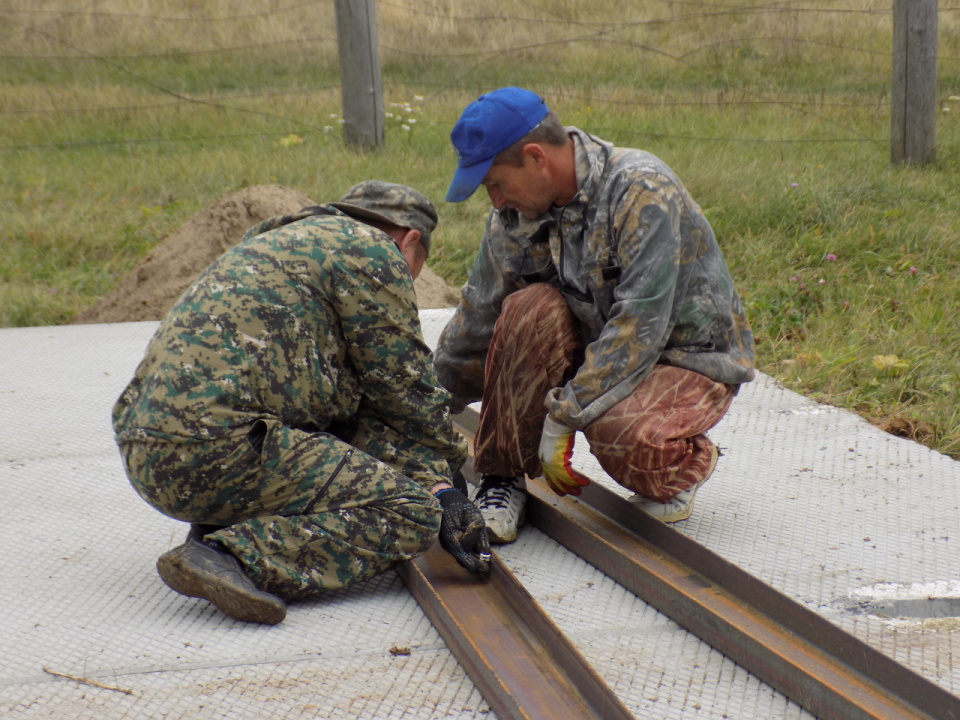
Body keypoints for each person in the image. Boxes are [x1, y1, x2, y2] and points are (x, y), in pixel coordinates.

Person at [113, 180, 490, 625]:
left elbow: (361, 417)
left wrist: (431, 476)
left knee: (335, 435)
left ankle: (227, 521)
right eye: (414, 271)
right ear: (409, 241)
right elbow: (404, 385)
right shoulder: (371, 249)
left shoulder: (272, 246)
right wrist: (448, 476)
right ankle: (234, 554)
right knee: (410, 513)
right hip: (216, 451)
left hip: (145, 453)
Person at [434, 87, 755, 543]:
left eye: (496, 184)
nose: (495, 202)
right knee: (526, 309)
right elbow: (476, 321)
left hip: (685, 358)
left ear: (535, 157)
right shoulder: (514, 217)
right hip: (601, 345)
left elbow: (640, 324)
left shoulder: (640, 190)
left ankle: (683, 460)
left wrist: (564, 415)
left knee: (619, 431)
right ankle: (502, 476)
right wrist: (417, 413)